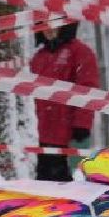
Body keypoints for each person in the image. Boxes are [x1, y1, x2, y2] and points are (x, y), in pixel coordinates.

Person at [29, 22, 100, 182]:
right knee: (44, 183)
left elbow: (88, 90)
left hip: (70, 133)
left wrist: (82, 125)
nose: (48, 30)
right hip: (43, 133)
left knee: (70, 185)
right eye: (43, 25)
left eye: (53, 25)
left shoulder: (81, 52)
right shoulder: (38, 57)